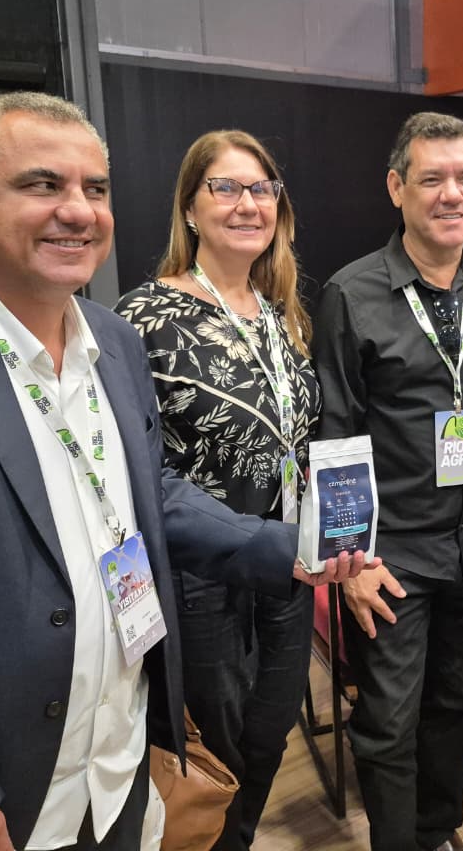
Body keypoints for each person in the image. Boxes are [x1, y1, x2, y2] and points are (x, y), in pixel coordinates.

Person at [0, 92, 366, 851]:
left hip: (121, 775)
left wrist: (284, 547)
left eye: (95, 188)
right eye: (42, 185)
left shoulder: (114, 345)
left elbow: (149, 495)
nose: (78, 211)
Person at [312, 112, 463, 851]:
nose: (450, 194)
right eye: (432, 178)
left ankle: (437, 833)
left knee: (458, 702)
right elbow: (334, 436)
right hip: (393, 553)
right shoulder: (352, 293)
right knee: (387, 723)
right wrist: (353, 562)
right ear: (396, 187)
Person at [116, 130, 319, 849]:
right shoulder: (141, 318)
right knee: (211, 751)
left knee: (268, 735)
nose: (247, 204)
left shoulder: (281, 312)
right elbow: (142, 470)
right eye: (225, 188)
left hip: (288, 564)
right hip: (199, 576)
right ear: (190, 208)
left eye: (262, 189)